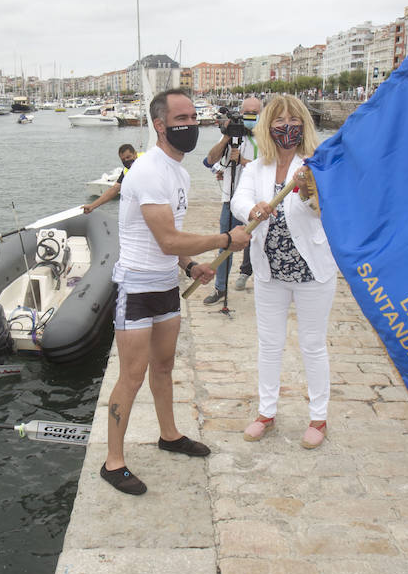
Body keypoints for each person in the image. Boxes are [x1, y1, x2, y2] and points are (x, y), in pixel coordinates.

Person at [100, 89, 249, 494]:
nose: (191, 123)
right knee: (131, 376)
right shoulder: (148, 171)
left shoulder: (179, 173)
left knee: (164, 368)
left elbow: (173, 246)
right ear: (160, 125)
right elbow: (166, 239)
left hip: (167, 285)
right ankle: (113, 462)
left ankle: (169, 435)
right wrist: (223, 240)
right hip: (137, 286)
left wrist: (190, 266)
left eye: (194, 115)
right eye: (181, 117)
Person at [231, 94, 339, 449]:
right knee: (270, 344)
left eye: (293, 119)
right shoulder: (255, 168)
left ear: (304, 123)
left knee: (312, 344)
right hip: (269, 270)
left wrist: (310, 193)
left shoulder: (317, 164)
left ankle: (318, 418)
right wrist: (253, 209)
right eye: (279, 120)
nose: (286, 126)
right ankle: (266, 412)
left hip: (312, 270)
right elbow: (238, 200)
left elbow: (326, 210)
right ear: (267, 126)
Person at [201, 96, 262, 303]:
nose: (251, 116)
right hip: (232, 199)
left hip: (260, 201)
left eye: (256, 112)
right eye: (248, 112)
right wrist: (227, 137)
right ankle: (220, 288)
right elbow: (209, 160)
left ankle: (261, 281)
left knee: (263, 243)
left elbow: (269, 167)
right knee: (226, 243)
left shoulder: (266, 137)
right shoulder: (233, 134)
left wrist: (242, 161)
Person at [81, 144, 138, 213]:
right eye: (123, 160)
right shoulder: (126, 171)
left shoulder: (147, 161)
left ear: (135, 154)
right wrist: (92, 206)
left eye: (128, 157)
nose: (126, 161)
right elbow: (114, 189)